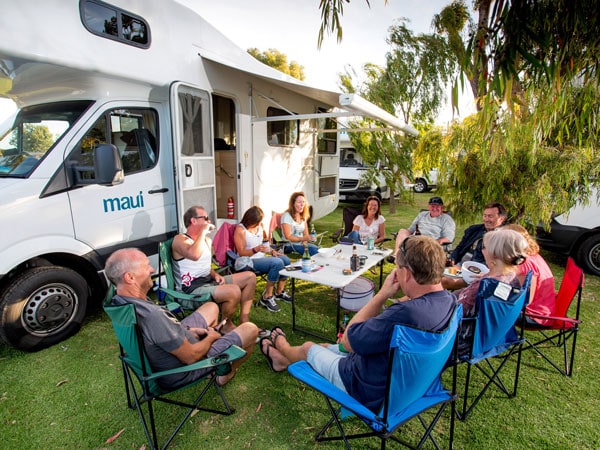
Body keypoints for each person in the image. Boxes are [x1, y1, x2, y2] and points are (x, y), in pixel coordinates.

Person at [259, 235, 456, 412]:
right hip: (409, 387)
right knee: (328, 347)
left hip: (366, 390)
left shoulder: (404, 316)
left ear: (407, 274)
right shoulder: (450, 302)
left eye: (397, 267)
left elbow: (348, 341)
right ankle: (282, 361)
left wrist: (382, 295)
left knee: (309, 348)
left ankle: (282, 348)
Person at [105, 248, 258, 388]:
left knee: (211, 307)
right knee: (250, 329)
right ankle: (223, 375)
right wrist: (211, 337)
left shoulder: (121, 303)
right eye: (146, 266)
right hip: (183, 370)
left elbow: (156, 334)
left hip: (169, 347)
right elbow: (190, 356)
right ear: (130, 277)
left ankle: (207, 347)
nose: (152, 269)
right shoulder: (151, 316)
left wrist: (188, 330)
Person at [171, 206, 256, 331]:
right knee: (233, 291)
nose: (208, 221)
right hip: (191, 290)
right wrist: (203, 232)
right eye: (205, 218)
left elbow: (203, 266)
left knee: (250, 277)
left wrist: (215, 274)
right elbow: (194, 255)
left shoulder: (206, 240)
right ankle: (224, 325)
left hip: (208, 281)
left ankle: (244, 319)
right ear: (193, 221)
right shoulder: (180, 239)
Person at [454, 228, 528, 354]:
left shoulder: (486, 288)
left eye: (484, 247)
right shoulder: (511, 279)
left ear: (494, 254)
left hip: (462, 340)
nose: (481, 250)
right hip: (491, 337)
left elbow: (455, 313)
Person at [234, 205, 292, 313]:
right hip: (248, 261)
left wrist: (272, 251)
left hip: (262, 257)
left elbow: (265, 243)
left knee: (286, 260)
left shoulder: (260, 226)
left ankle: (279, 292)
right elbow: (241, 252)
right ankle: (267, 297)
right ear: (249, 219)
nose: (258, 224)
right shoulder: (240, 230)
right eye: (255, 222)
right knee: (277, 263)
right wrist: (255, 250)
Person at [442, 202, 508, 290]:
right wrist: (452, 260)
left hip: (476, 273)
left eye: (490, 216)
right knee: (429, 274)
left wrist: (464, 269)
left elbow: (495, 264)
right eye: (485, 216)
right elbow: (460, 248)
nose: (486, 219)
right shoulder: (474, 230)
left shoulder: (503, 237)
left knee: (444, 281)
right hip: (458, 266)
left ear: (501, 219)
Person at [504, 224, 556, 325]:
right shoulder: (533, 255)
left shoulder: (524, 263)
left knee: (487, 304)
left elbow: (525, 299)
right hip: (543, 310)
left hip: (534, 315)